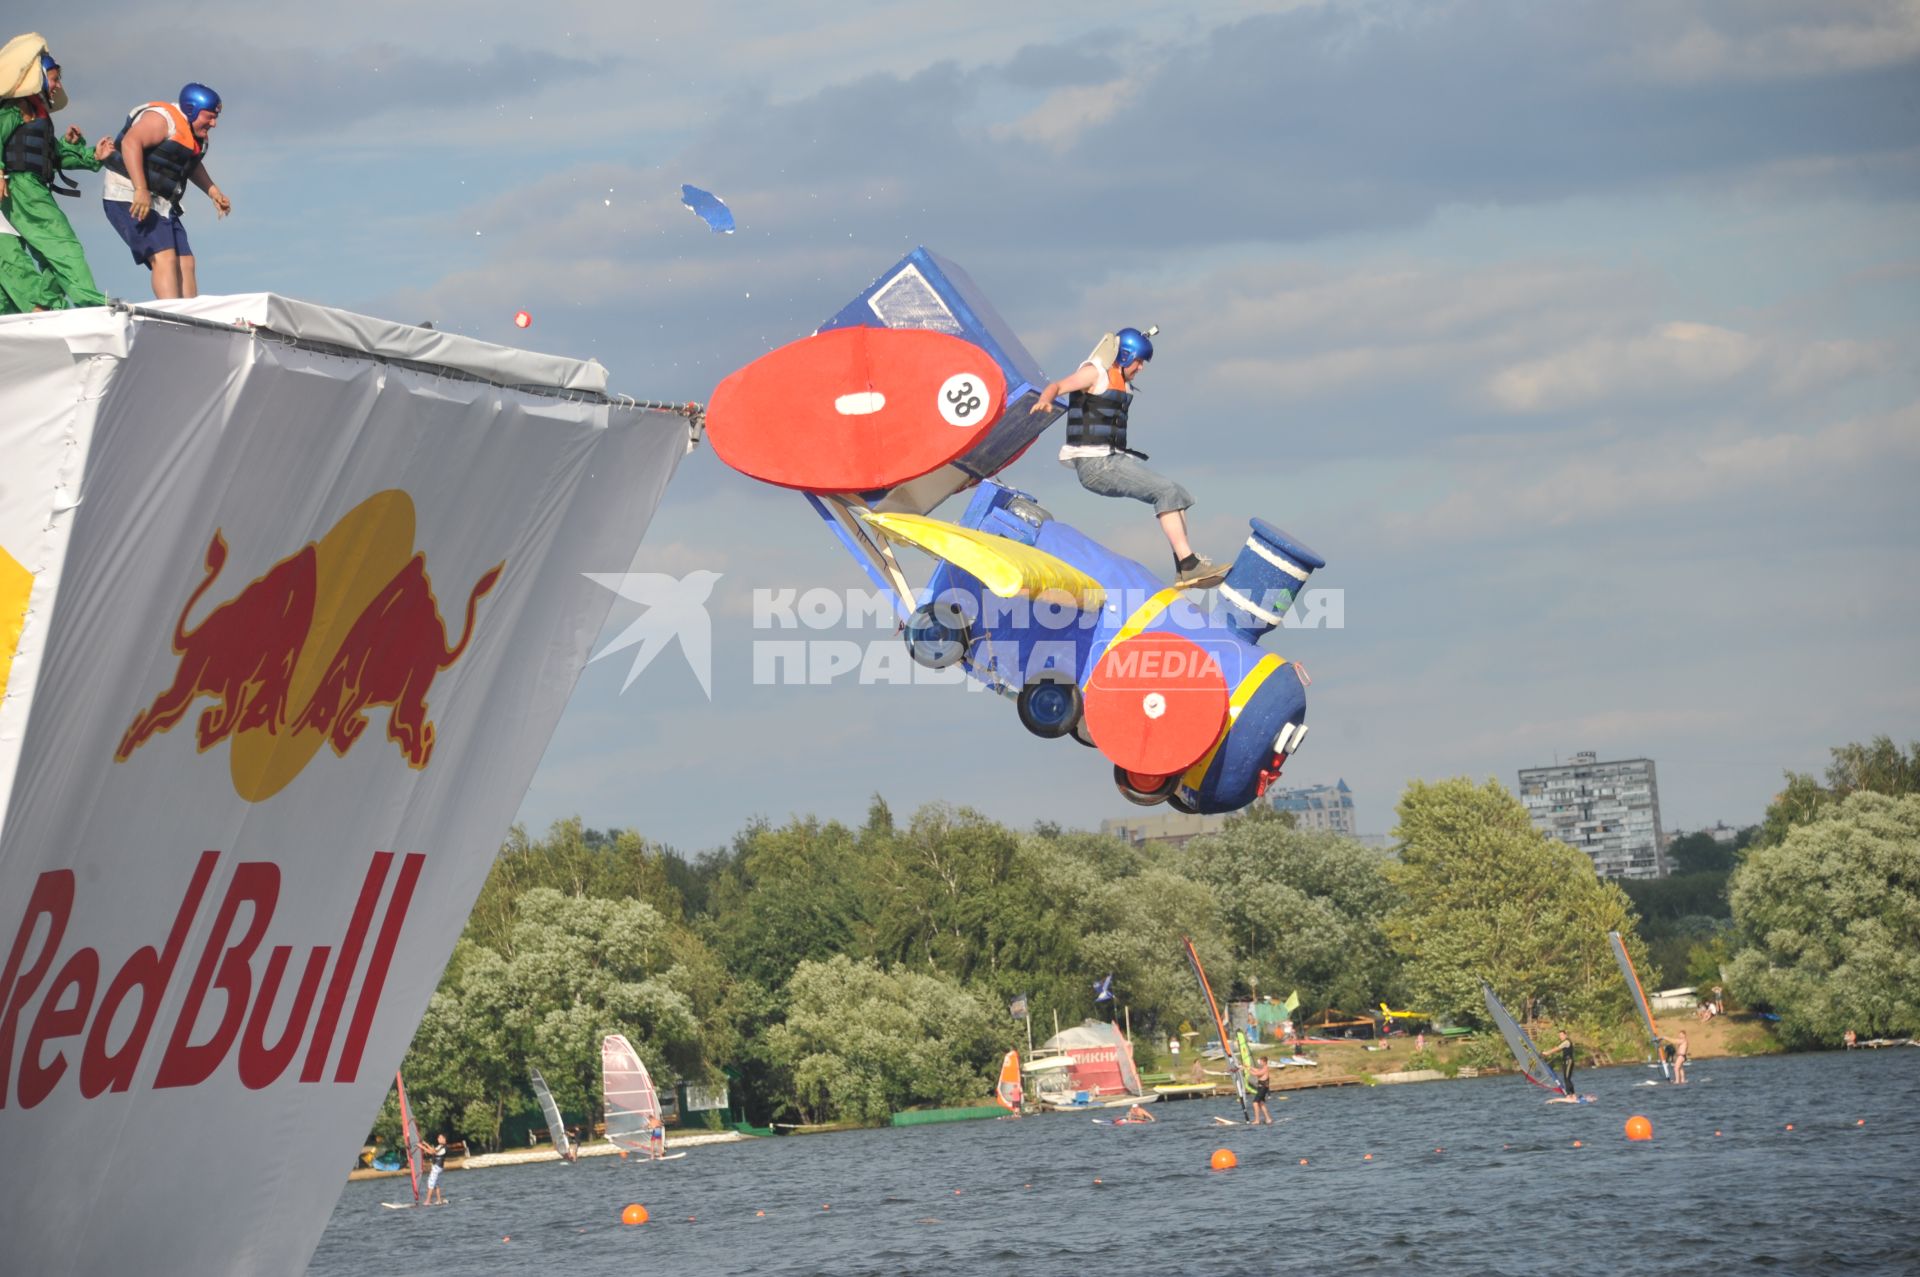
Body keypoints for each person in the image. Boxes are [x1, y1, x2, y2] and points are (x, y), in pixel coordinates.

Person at [1031, 326, 1216, 585]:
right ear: (1127, 356)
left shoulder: (1122, 383)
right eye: (1139, 362)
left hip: (1113, 461)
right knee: (1165, 491)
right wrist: (1046, 399)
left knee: (1177, 493)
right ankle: (1188, 564)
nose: (1141, 368)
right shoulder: (1094, 373)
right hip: (1096, 465)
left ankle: (1185, 566)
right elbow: (1058, 385)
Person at [0, 42, 109, 311]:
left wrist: (89, 155)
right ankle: (90, 304)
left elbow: (52, 154)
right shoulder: (15, 109)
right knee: (63, 245)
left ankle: (45, 307)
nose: (58, 85)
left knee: (48, 255)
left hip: (32, 187)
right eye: (55, 78)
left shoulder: (37, 113)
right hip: (21, 188)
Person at [100, 82, 230, 299]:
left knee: (185, 261)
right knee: (164, 256)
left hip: (161, 203)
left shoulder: (194, 135)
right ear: (191, 109)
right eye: (209, 116)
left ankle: (192, 318)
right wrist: (140, 188)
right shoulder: (162, 120)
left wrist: (213, 191)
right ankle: (172, 316)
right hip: (127, 194)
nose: (214, 123)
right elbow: (131, 142)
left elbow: (190, 163)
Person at [417, 1132, 448, 1205]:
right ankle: (439, 1200)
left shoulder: (445, 1148)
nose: (438, 1139)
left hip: (437, 1167)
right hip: (437, 1167)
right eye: (438, 1138)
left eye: (440, 1138)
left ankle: (428, 1201)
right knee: (436, 1184)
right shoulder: (440, 1146)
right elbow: (433, 1149)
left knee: (431, 1183)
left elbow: (432, 1152)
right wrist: (425, 1144)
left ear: (444, 1139)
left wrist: (421, 1147)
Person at [1553, 1028, 1578, 1096]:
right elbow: (1557, 1048)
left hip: (1569, 1061)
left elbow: (1557, 1049)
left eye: (1561, 1035)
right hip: (1565, 1062)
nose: (1560, 1037)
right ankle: (1573, 1094)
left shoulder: (1566, 1042)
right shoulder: (1563, 1042)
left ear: (1565, 1035)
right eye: (1559, 1035)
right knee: (1566, 1079)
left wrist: (1546, 1053)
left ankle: (1569, 1094)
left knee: (1567, 1078)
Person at [1249, 1056, 1273, 1124]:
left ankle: (1257, 1120)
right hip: (1261, 1087)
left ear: (1264, 1062)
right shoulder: (1263, 1068)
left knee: (1255, 1103)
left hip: (1263, 1088)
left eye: (1261, 1061)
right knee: (1261, 1103)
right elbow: (1257, 1070)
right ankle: (1268, 1119)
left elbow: (1256, 1073)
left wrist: (1247, 1070)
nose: (1260, 1062)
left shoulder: (1265, 1068)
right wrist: (1248, 1067)